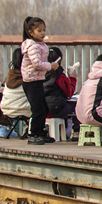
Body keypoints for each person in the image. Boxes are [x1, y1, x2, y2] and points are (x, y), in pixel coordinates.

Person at [21, 16, 60, 145]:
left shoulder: (40, 44)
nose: (43, 33)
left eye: (44, 30)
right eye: (39, 31)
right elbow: (36, 63)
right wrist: (51, 66)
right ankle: (33, 133)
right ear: (31, 33)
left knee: (43, 107)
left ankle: (40, 132)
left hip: (37, 79)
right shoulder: (32, 46)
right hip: (31, 81)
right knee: (37, 109)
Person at [44, 47, 79, 134]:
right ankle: (76, 132)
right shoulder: (60, 77)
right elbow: (69, 93)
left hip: (40, 109)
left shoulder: (38, 74)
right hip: (54, 110)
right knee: (75, 107)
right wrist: (73, 78)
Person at [0, 48, 31, 139]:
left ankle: (4, 128)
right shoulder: (28, 77)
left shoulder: (9, 76)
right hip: (23, 109)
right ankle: (32, 131)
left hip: (6, 109)